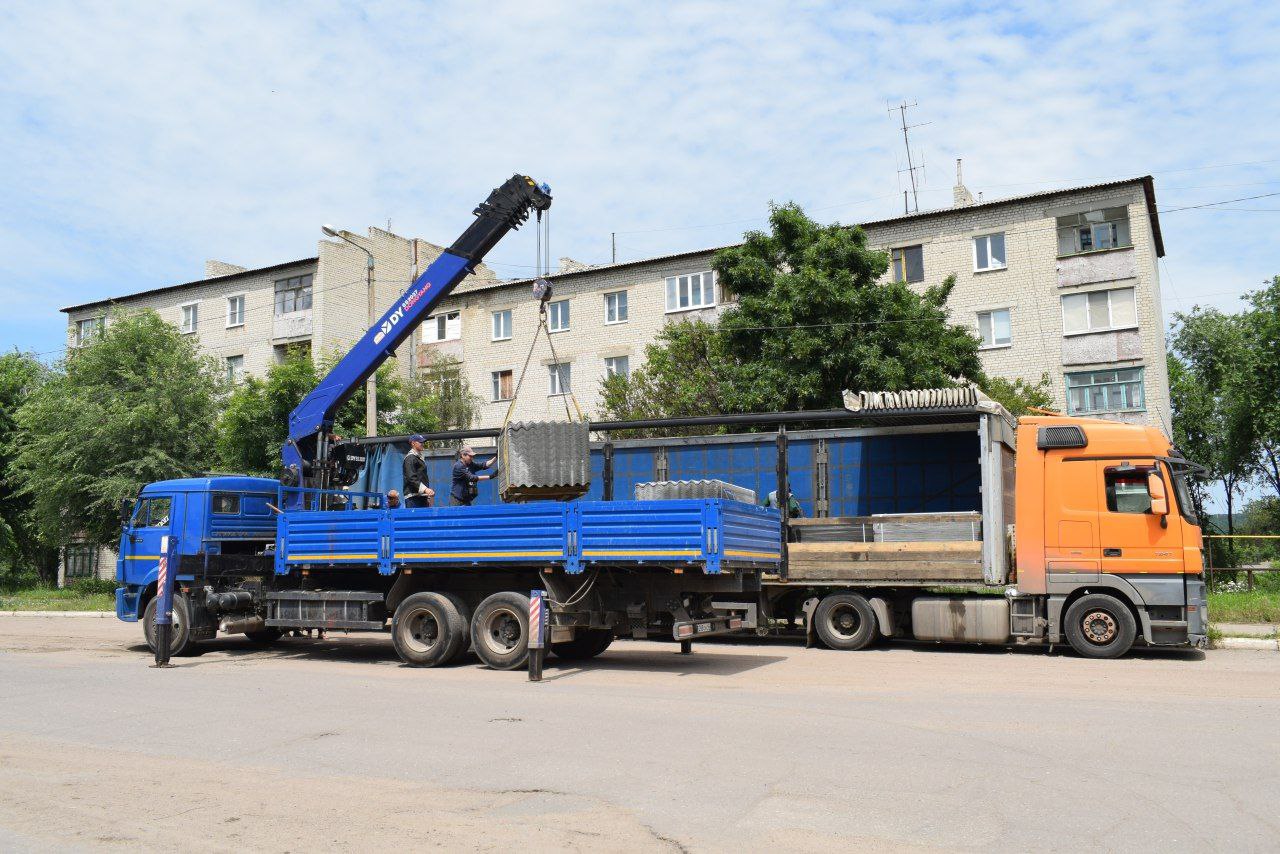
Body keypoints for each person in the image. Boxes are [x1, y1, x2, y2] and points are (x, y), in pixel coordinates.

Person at [402, 435, 435, 508]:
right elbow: (411, 478)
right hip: (413, 498)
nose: (422, 444)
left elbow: (422, 477)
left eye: (423, 442)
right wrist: (426, 489)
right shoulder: (410, 458)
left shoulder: (419, 457)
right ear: (413, 443)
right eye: (420, 442)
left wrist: (427, 496)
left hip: (421, 496)